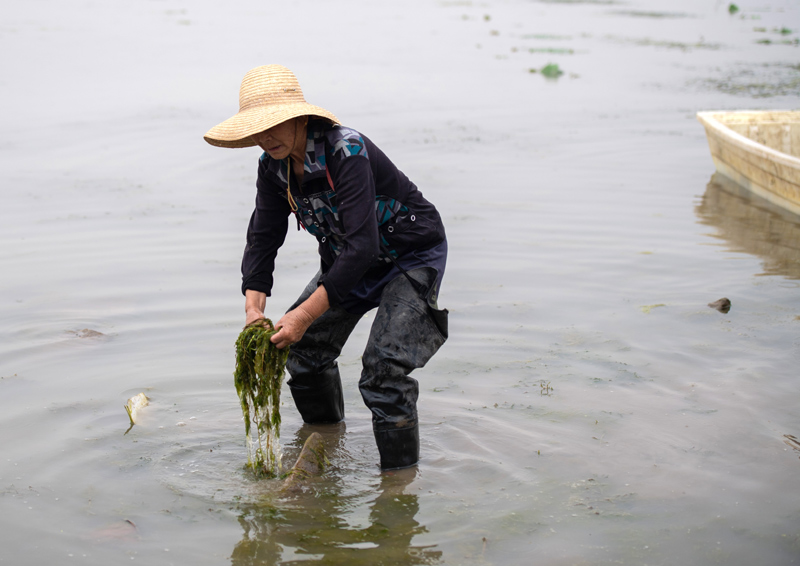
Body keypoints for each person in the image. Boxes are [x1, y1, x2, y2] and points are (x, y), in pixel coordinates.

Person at [204, 65, 448, 470]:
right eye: (258, 131)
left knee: (383, 369)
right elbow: (263, 237)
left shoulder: (346, 150)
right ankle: (325, 450)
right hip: (348, 262)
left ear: (300, 117)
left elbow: (364, 246)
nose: (266, 138)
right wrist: (254, 308)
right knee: (304, 352)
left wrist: (302, 314)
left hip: (409, 256)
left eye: (273, 125)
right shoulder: (273, 167)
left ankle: (398, 488)